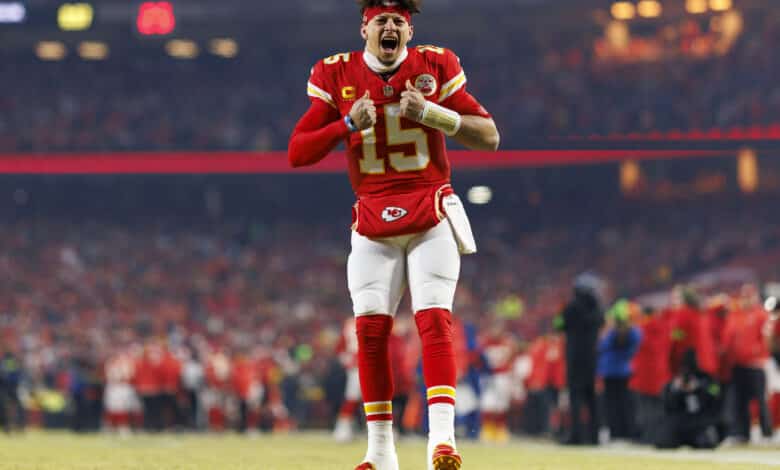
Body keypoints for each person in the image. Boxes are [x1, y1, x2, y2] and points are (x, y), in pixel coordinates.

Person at [288, 0, 500, 467]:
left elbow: (489, 136)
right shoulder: (333, 73)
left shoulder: (436, 65)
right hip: (372, 216)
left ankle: (441, 443)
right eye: (381, 19)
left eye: (399, 21)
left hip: (430, 207)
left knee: (434, 320)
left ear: (409, 30)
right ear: (364, 27)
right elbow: (297, 152)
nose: (390, 26)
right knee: (370, 331)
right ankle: (380, 453)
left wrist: (434, 114)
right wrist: (345, 125)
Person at [556, 273, 604, 445]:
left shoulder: (571, 307)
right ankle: (595, 436)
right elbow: (601, 323)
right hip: (591, 357)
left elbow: (559, 325)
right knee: (591, 397)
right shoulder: (598, 309)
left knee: (576, 397)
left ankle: (576, 435)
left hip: (575, 357)